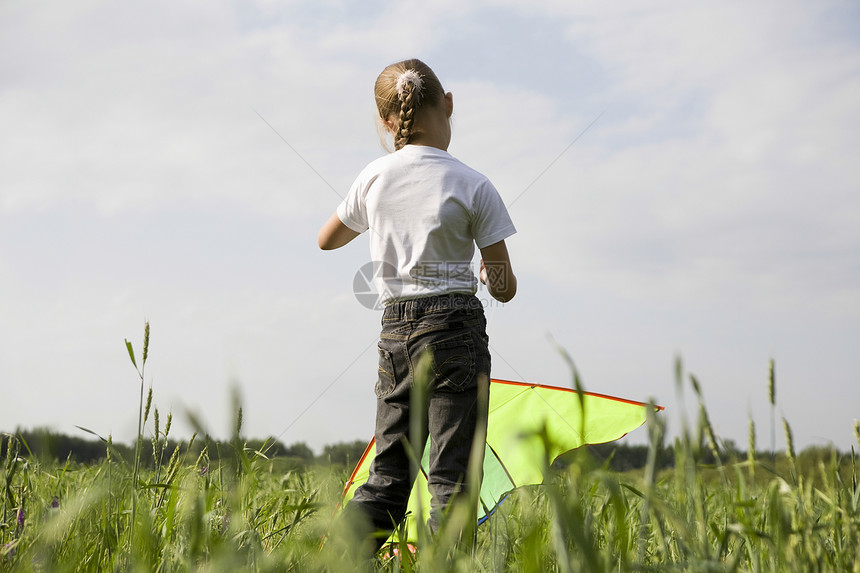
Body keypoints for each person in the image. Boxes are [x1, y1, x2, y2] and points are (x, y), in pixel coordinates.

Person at [318, 58, 517, 551]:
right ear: (448, 104)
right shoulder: (474, 183)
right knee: (452, 479)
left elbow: (326, 239)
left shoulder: (373, 178)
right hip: (455, 332)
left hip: (394, 336)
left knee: (388, 473)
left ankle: (341, 562)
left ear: (388, 123)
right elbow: (505, 286)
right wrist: (491, 276)